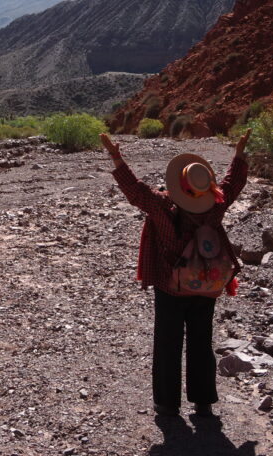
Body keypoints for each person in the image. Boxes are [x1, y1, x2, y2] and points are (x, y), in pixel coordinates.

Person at [99, 128, 251, 418]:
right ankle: (203, 400)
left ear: (179, 184)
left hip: (171, 286)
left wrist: (117, 157)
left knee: (168, 343)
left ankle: (167, 404)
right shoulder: (214, 205)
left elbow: (136, 190)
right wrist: (239, 156)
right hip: (206, 284)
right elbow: (232, 186)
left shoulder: (163, 206)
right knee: (201, 340)